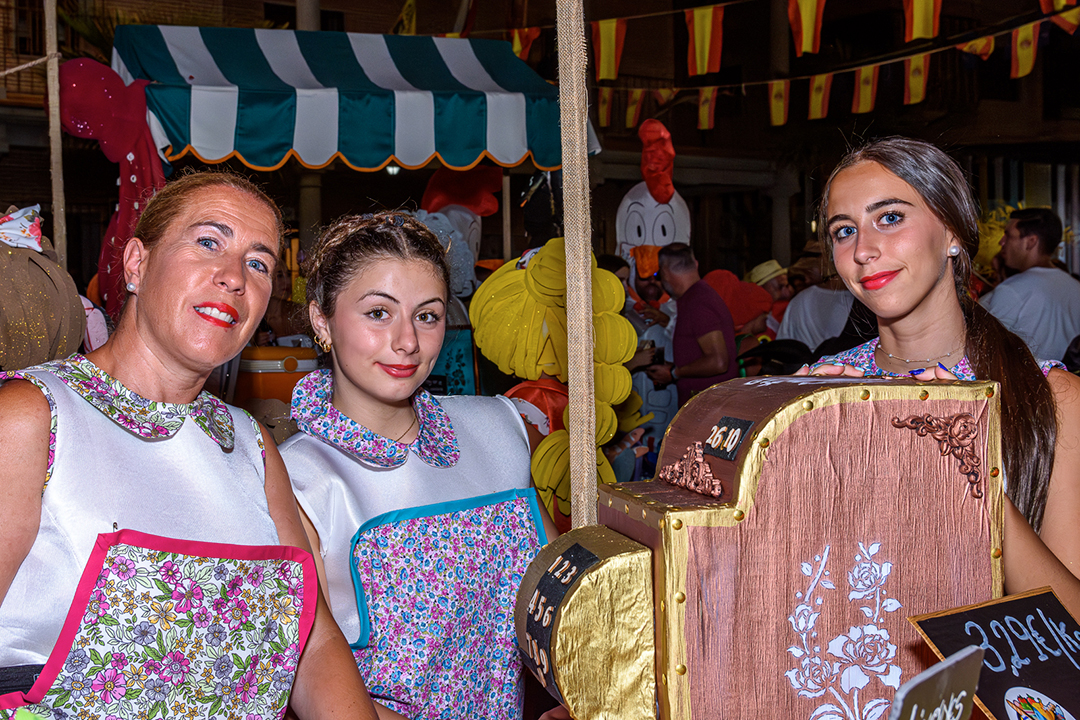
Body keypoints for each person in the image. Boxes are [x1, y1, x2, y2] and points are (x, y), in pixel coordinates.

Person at [0, 172, 383, 719]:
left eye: (259, 263)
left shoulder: (251, 446)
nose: (234, 278)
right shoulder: (31, 418)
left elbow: (315, 643)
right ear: (137, 264)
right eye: (209, 242)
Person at [279, 212, 556, 719]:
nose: (407, 341)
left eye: (427, 315)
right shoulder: (295, 480)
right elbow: (308, 673)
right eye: (379, 313)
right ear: (322, 321)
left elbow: (557, 602)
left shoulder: (499, 430)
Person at [800, 137, 1080, 612]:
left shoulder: (1051, 398)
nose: (863, 249)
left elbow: (1070, 623)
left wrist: (973, 475)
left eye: (889, 218)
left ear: (952, 232)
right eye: (844, 230)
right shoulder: (825, 391)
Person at [978, 207, 1080, 362]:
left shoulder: (1012, 290)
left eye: (1008, 235)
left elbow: (984, 350)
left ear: (1031, 242)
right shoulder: (1075, 288)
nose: (1001, 242)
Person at [646, 243, 738, 406]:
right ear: (695, 264)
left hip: (709, 409)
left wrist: (674, 372)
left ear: (665, 272)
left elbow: (719, 361)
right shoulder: (695, 296)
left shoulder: (698, 302)